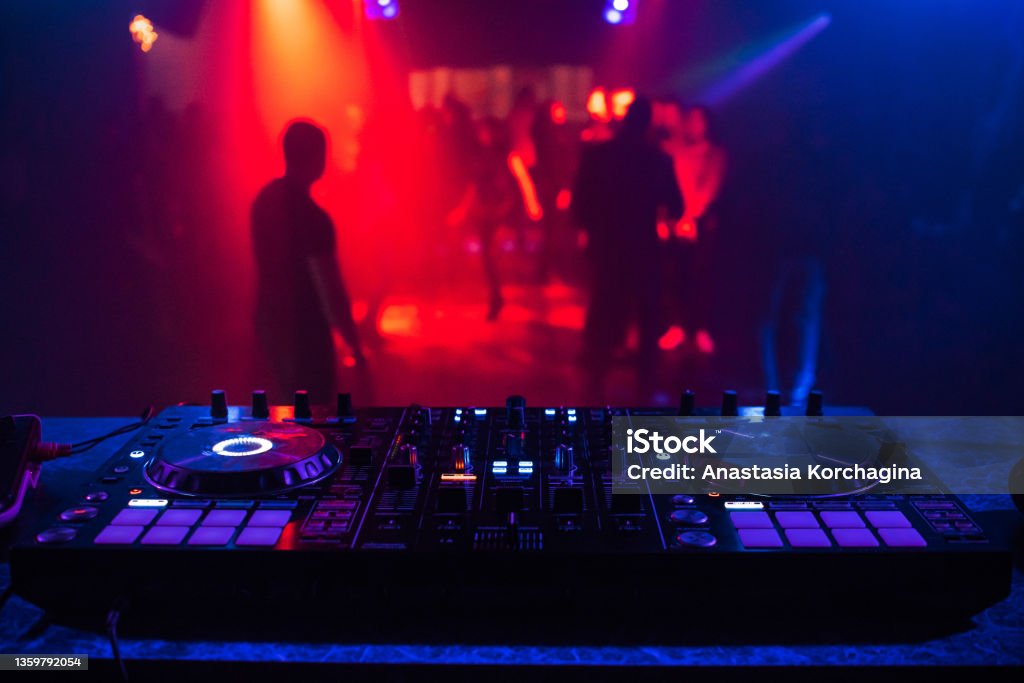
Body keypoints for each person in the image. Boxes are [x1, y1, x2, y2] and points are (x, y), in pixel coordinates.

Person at [572, 97, 684, 399]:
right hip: (643, 246)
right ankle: (645, 384)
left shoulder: (597, 155)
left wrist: (591, 231)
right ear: (648, 123)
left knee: (604, 308)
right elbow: (676, 206)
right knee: (648, 314)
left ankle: (595, 379)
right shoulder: (657, 160)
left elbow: (579, 203)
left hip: (607, 245)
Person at [251, 120, 364, 404]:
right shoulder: (314, 217)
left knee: (273, 417)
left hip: (268, 321)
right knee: (311, 420)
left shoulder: (264, 200)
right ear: (317, 158)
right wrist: (354, 345)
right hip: (305, 332)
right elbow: (329, 288)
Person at [659, 102, 727, 355]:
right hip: (679, 226)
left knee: (702, 277)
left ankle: (700, 329)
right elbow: (669, 187)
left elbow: (710, 188)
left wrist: (691, 217)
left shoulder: (716, 154)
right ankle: (676, 325)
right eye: (692, 120)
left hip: (703, 226)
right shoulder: (678, 153)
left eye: (699, 120)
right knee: (676, 276)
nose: (694, 125)